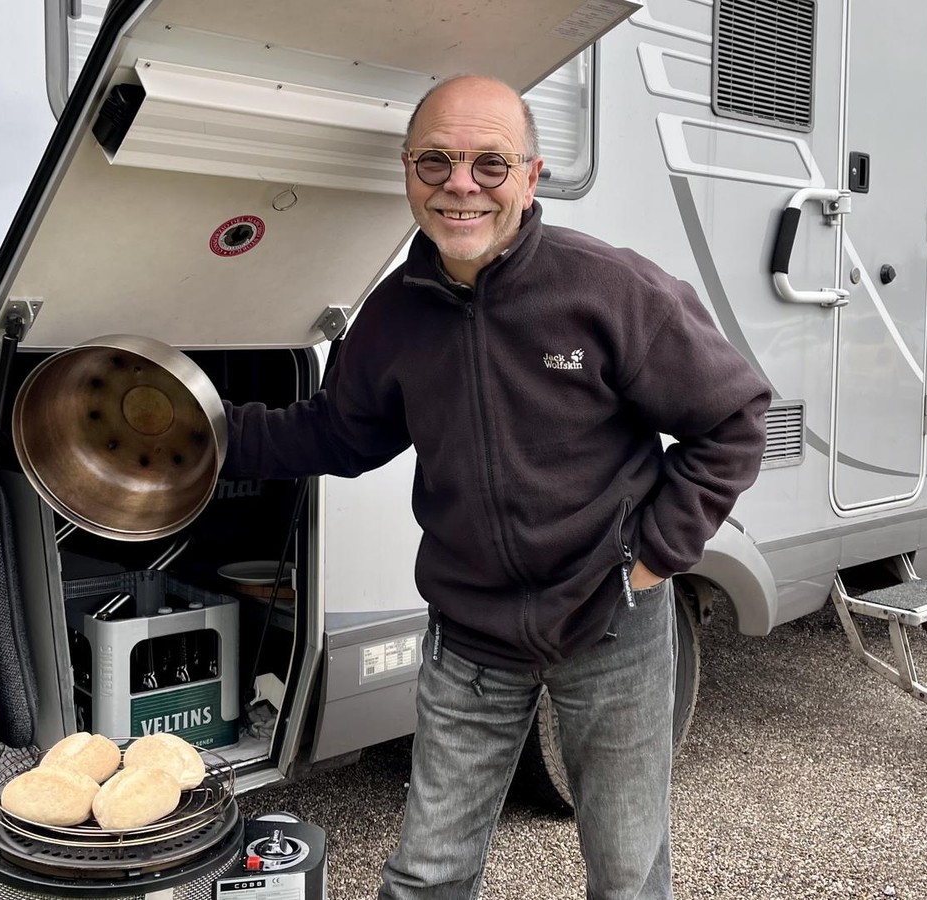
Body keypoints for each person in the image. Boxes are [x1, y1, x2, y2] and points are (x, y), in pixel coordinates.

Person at [222, 74, 772, 900]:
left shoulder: (608, 288)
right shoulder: (393, 317)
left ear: (531, 173)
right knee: (427, 875)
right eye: (436, 162)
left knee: (627, 874)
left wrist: (650, 557)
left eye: (489, 162)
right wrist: (206, 436)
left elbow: (732, 418)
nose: (460, 185)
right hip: (470, 638)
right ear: (408, 170)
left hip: (609, 626)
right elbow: (338, 432)